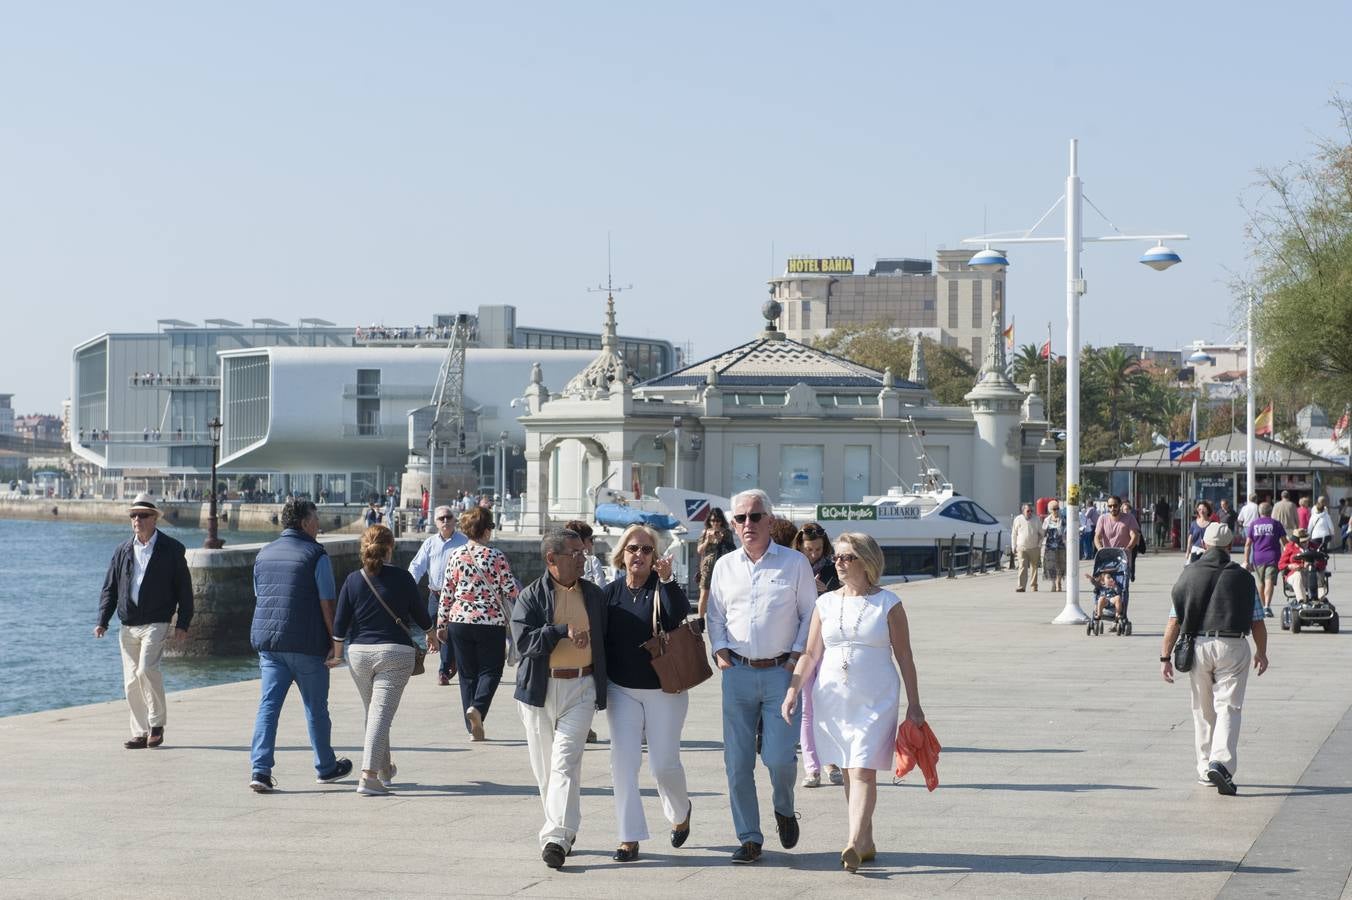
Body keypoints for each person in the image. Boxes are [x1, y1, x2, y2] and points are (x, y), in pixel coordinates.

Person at [781, 532, 924, 874]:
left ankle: (852, 841)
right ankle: (866, 840)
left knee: (862, 769)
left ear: (867, 562)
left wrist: (915, 704)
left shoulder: (889, 603)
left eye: (847, 558)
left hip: (876, 697)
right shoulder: (825, 603)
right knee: (848, 768)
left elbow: (904, 656)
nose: (839, 564)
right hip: (832, 697)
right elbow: (811, 653)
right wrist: (793, 690)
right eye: (837, 558)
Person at [707, 488, 816, 865]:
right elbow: (715, 614)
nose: (748, 524)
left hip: (780, 674)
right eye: (740, 518)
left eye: (755, 516)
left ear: (770, 520)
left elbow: (809, 617)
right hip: (736, 671)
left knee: (779, 758)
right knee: (737, 762)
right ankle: (749, 837)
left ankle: (784, 808)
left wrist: (793, 661)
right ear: (733, 524)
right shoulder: (725, 566)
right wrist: (719, 649)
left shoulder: (794, 563)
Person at [511, 529, 609, 869]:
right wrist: (560, 631)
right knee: (546, 771)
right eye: (575, 554)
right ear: (552, 559)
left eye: (584, 552)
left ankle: (554, 837)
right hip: (539, 690)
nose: (583, 558)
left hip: (581, 689)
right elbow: (523, 644)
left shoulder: (594, 595)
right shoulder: (530, 596)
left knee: (565, 761)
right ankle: (565, 831)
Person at [248, 497, 353, 792]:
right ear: (306, 523)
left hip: (270, 646)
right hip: (307, 645)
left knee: (268, 707)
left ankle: (260, 770)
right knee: (316, 708)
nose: (319, 525)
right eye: (316, 519)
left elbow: (261, 596)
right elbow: (327, 603)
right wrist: (336, 643)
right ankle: (326, 767)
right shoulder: (316, 555)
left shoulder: (263, 554)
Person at [601, 524, 693, 862]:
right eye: (632, 549)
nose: (638, 554)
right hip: (621, 690)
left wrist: (667, 581)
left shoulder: (662, 588)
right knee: (622, 765)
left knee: (662, 766)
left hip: (664, 689)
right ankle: (629, 837)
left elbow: (678, 616)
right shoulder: (609, 593)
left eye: (645, 549)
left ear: (655, 556)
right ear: (621, 554)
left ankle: (680, 812)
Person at [1160, 522, 1268, 795]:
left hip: (1198, 645)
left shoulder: (1189, 574)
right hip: (1233, 645)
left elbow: (1174, 620)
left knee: (1203, 709)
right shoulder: (1244, 578)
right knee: (1229, 707)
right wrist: (1262, 652)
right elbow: (1257, 621)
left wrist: (1165, 656)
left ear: (1205, 545)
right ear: (1230, 546)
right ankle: (1221, 763)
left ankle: (1205, 768)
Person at [330, 525, 434, 795]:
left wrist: (337, 655)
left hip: (359, 655)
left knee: (375, 712)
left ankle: (385, 769)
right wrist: (432, 635)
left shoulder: (354, 580)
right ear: (390, 548)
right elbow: (422, 617)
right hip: (395, 654)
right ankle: (369, 776)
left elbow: (340, 625)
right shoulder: (402, 578)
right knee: (380, 714)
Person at [94, 493, 193, 750]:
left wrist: (183, 622)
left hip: (157, 621)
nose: (137, 519)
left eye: (142, 515)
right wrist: (102, 620)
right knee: (130, 681)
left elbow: (184, 589)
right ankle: (140, 732)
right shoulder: (122, 550)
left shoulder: (172, 549)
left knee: (146, 669)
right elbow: (110, 588)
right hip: (128, 624)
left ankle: (157, 724)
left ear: (154, 519)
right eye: (133, 515)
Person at [438, 506, 520, 741]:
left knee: (467, 674)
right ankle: (479, 709)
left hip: (459, 620)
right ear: (485, 530)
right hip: (489, 621)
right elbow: (510, 590)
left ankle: (472, 726)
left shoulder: (456, 555)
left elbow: (447, 592)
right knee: (492, 670)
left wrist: (441, 623)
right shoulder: (496, 556)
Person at [408, 505, 467, 685]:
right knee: (431, 627)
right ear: (435, 522)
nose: (446, 521)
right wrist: (407, 585)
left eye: (449, 517)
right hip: (435, 595)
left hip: (456, 596)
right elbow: (417, 566)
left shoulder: (464, 541)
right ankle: (453, 659)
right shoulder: (430, 543)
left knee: (445, 631)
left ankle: (443, 670)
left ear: (455, 520)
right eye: (442, 518)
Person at [1244, 501, 1286, 617]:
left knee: (1260, 583)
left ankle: (1264, 607)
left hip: (1258, 558)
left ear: (1259, 512)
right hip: (1273, 557)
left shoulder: (1254, 524)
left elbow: (1248, 544)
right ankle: (1267, 606)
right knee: (1269, 581)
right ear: (1270, 511)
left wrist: (1246, 560)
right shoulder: (1276, 524)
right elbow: (1284, 542)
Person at [696, 507, 736, 618]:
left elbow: (732, 549)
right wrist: (707, 541)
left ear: (722, 521)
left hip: (722, 566)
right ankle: (700, 620)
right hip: (707, 567)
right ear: (709, 521)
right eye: (713, 520)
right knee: (704, 593)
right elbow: (699, 550)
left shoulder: (727, 533)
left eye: (718, 520)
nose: (715, 523)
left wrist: (722, 540)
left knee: (723, 593)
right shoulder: (705, 533)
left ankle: (723, 617)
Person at [1011, 503, 1043, 592]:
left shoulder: (1036, 519)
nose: (1030, 513)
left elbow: (1041, 534)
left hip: (1034, 547)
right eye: (1028, 511)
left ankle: (1034, 585)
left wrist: (1039, 545)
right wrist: (1013, 546)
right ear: (1023, 511)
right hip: (1022, 547)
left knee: (1034, 567)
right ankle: (1021, 586)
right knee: (1022, 566)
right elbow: (1014, 534)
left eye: (1031, 511)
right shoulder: (1017, 519)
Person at [565, 519, 607, 585]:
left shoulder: (561, 561)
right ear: (581, 541)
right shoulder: (593, 561)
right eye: (591, 539)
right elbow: (602, 588)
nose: (592, 543)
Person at [1279, 528, 1314, 601]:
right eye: (1303, 542)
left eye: (1307, 540)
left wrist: (1315, 563)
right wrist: (1289, 566)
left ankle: (1319, 600)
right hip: (1294, 574)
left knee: (1319, 574)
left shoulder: (1313, 546)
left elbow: (1323, 561)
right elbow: (1280, 565)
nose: (1306, 543)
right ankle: (1302, 601)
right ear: (1297, 542)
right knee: (1298, 575)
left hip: (1310, 572)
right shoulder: (1289, 547)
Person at [1041, 500, 1067, 592]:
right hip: (1050, 547)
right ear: (1050, 510)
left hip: (1060, 546)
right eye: (1054, 509)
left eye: (1057, 508)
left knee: (1060, 565)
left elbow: (1066, 531)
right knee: (1051, 566)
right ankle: (1053, 583)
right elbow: (1043, 533)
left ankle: (1058, 583)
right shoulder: (1047, 520)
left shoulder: (1063, 519)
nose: (1056, 511)